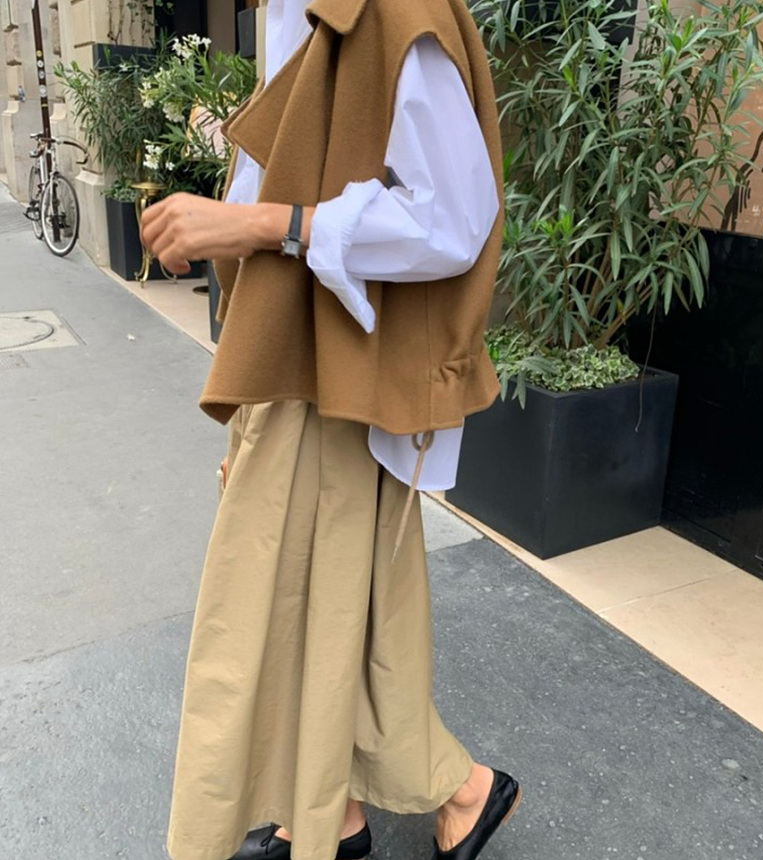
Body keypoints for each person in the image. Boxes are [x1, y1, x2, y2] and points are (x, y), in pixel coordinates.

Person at [141, 1, 521, 859]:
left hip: (339, 372)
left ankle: (390, 803)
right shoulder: (298, 10)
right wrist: (230, 224)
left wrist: (257, 225)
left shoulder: (393, 12)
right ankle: (354, 811)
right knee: (335, 606)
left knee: (266, 609)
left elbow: (454, 219)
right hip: (292, 354)